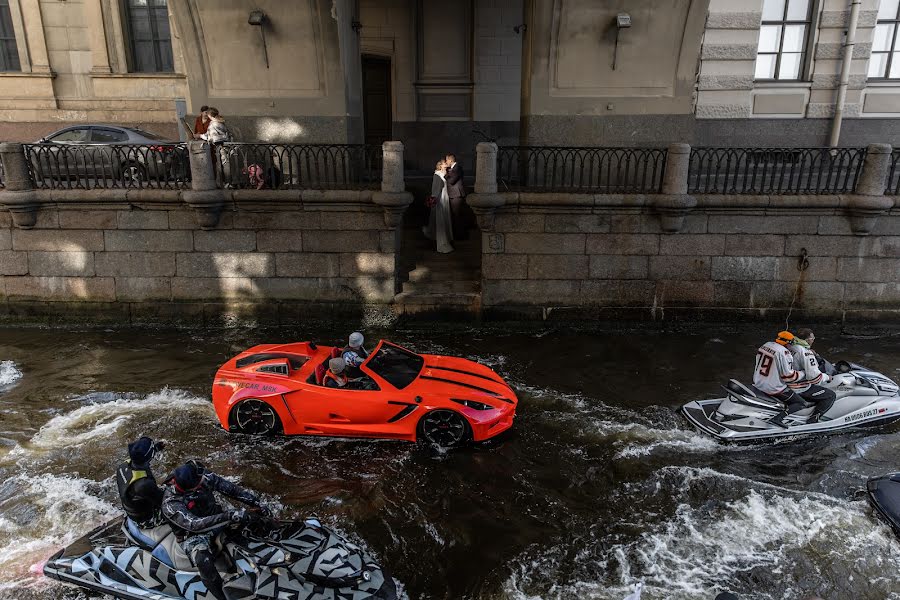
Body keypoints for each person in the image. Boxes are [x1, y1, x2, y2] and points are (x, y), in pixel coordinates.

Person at [162, 461, 266, 600]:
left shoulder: (200, 475)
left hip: (216, 517)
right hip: (193, 536)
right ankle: (221, 595)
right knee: (202, 559)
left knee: (253, 522)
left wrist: (256, 503)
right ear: (190, 489)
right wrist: (230, 515)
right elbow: (194, 524)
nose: (205, 480)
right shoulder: (170, 503)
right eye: (200, 482)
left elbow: (230, 489)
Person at [752, 331, 808, 427]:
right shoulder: (784, 353)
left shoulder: (766, 345)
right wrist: (803, 373)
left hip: (758, 382)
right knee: (801, 403)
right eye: (792, 343)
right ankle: (778, 418)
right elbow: (789, 377)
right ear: (787, 343)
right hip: (773, 388)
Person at [789, 328, 837, 422]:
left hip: (786, 383)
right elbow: (814, 378)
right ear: (806, 340)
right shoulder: (806, 353)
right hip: (799, 388)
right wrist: (827, 377)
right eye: (812, 338)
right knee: (830, 395)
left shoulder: (790, 346)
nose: (813, 339)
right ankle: (813, 420)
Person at [116, 436, 165, 528]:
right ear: (148, 457)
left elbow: (143, 456)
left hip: (132, 506)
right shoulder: (144, 484)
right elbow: (163, 501)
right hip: (144, 520)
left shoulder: (125, 465)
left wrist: (157, 448)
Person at [422, 159, 454, 253]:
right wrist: (433, 198)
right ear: (440, 165)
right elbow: (435, 188)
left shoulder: (445, 173)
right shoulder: (437, 174)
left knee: (445, 217)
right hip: (440, 198)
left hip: (445, 197)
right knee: (440, 219)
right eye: (444, 163)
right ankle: (441, 241)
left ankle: (442, 236)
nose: (446, 164)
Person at [444, 153, 467, 240]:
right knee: (455, 215)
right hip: (454, 195)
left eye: (447, 160)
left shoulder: (457, 168)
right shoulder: (453, 168)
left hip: (457, 195)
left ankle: (460, 236)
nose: (446, 162)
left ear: (450, 160)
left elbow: (452, 181)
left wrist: (445, 174)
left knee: (457, 216)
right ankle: (458, 234)